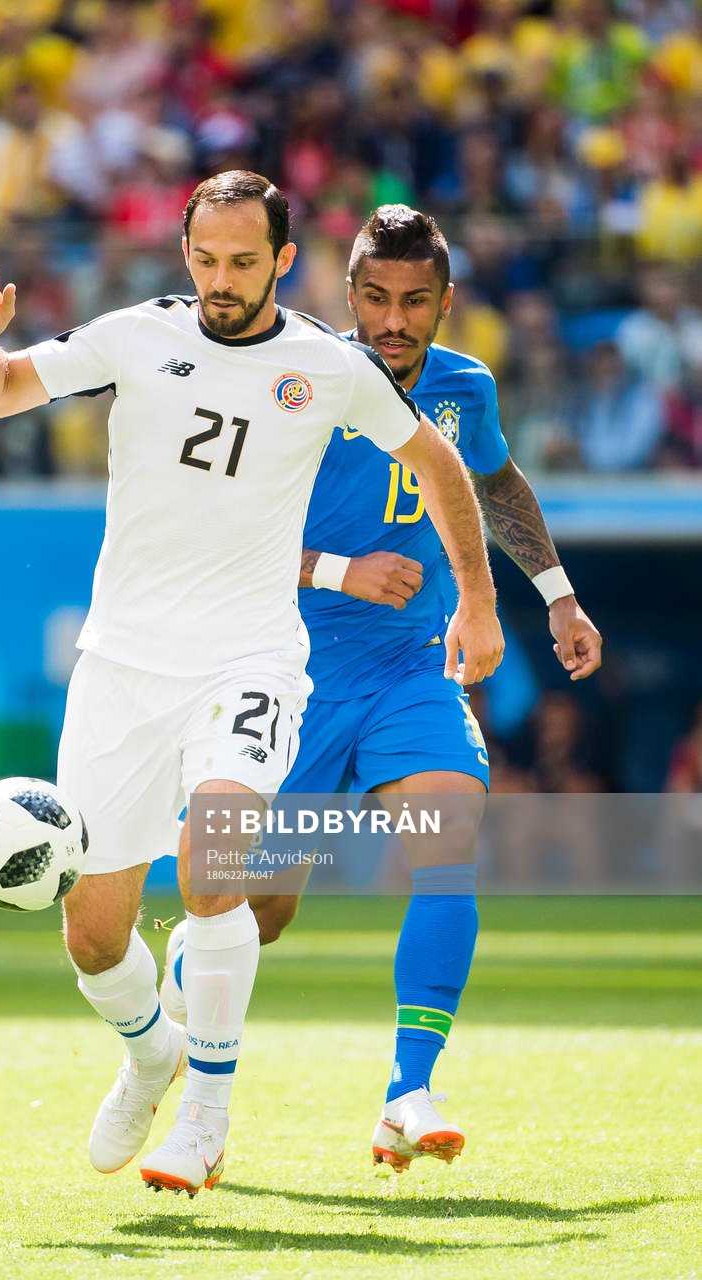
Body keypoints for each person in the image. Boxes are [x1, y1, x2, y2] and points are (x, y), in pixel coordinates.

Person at [0, 174, 503, 1196]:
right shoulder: (130, 336)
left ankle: (205, 1112)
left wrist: (478, 597)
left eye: (244, 262)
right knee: (94, 934)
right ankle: (151, 1050)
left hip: (249, 660)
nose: (221, 280)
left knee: (215, 868)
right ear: (187, 252)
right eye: (205, 259)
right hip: (122, 666)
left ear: (284, 260)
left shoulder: (324, 367)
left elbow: (438, 464)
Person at [160, 203, 602, 1174]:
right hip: (289, 672)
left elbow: (497, 485)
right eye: (374, 298)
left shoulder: (462, 387)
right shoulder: (293, 381)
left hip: (410, 667)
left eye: (414, 302)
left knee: (448, 845)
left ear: (446, 303)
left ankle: (409, 1087)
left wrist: (557, 597)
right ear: (346, 295)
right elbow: (213, 531)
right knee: (256, 912)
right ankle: (176, 1019)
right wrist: (336, 569)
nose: (393, 321)